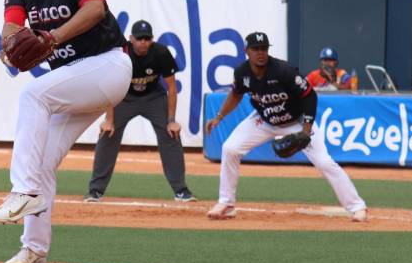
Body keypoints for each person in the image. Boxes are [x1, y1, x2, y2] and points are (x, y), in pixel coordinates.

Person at [0, 0, 132, 263]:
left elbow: (95, 10)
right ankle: (34, 250)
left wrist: (51, 37)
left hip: (108, 65)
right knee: (43, 162)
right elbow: (11, 23)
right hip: (77, 76)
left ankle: (21, 191)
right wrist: (9, 41)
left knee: (32, 95)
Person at [204, 32, 367, 222]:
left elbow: (309, 95)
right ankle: (226, 204)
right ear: (246, 51)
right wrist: (219, 117)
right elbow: (236, 93)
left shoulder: (283, 70)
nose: (260, 53)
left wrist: (306, 130)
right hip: (264, 120)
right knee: (230, 148)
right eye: (255, 49)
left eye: (264, 48)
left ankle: (357, 207)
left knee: (324, 162)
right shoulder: (242, 73)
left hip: (295, 122)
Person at [85, 20, 196, 203]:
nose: (143, 42)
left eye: (147, 38)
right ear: (131, 39)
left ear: (152, 39)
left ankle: (181, 190)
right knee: (107, 134)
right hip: (123, 97)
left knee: (171, 134)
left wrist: (171, 120)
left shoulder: (160, 52)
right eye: (139, 38)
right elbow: (109, 85)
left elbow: (171, 87)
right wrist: (109, 119)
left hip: (154, 97)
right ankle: (95, 191)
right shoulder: (122, 53)